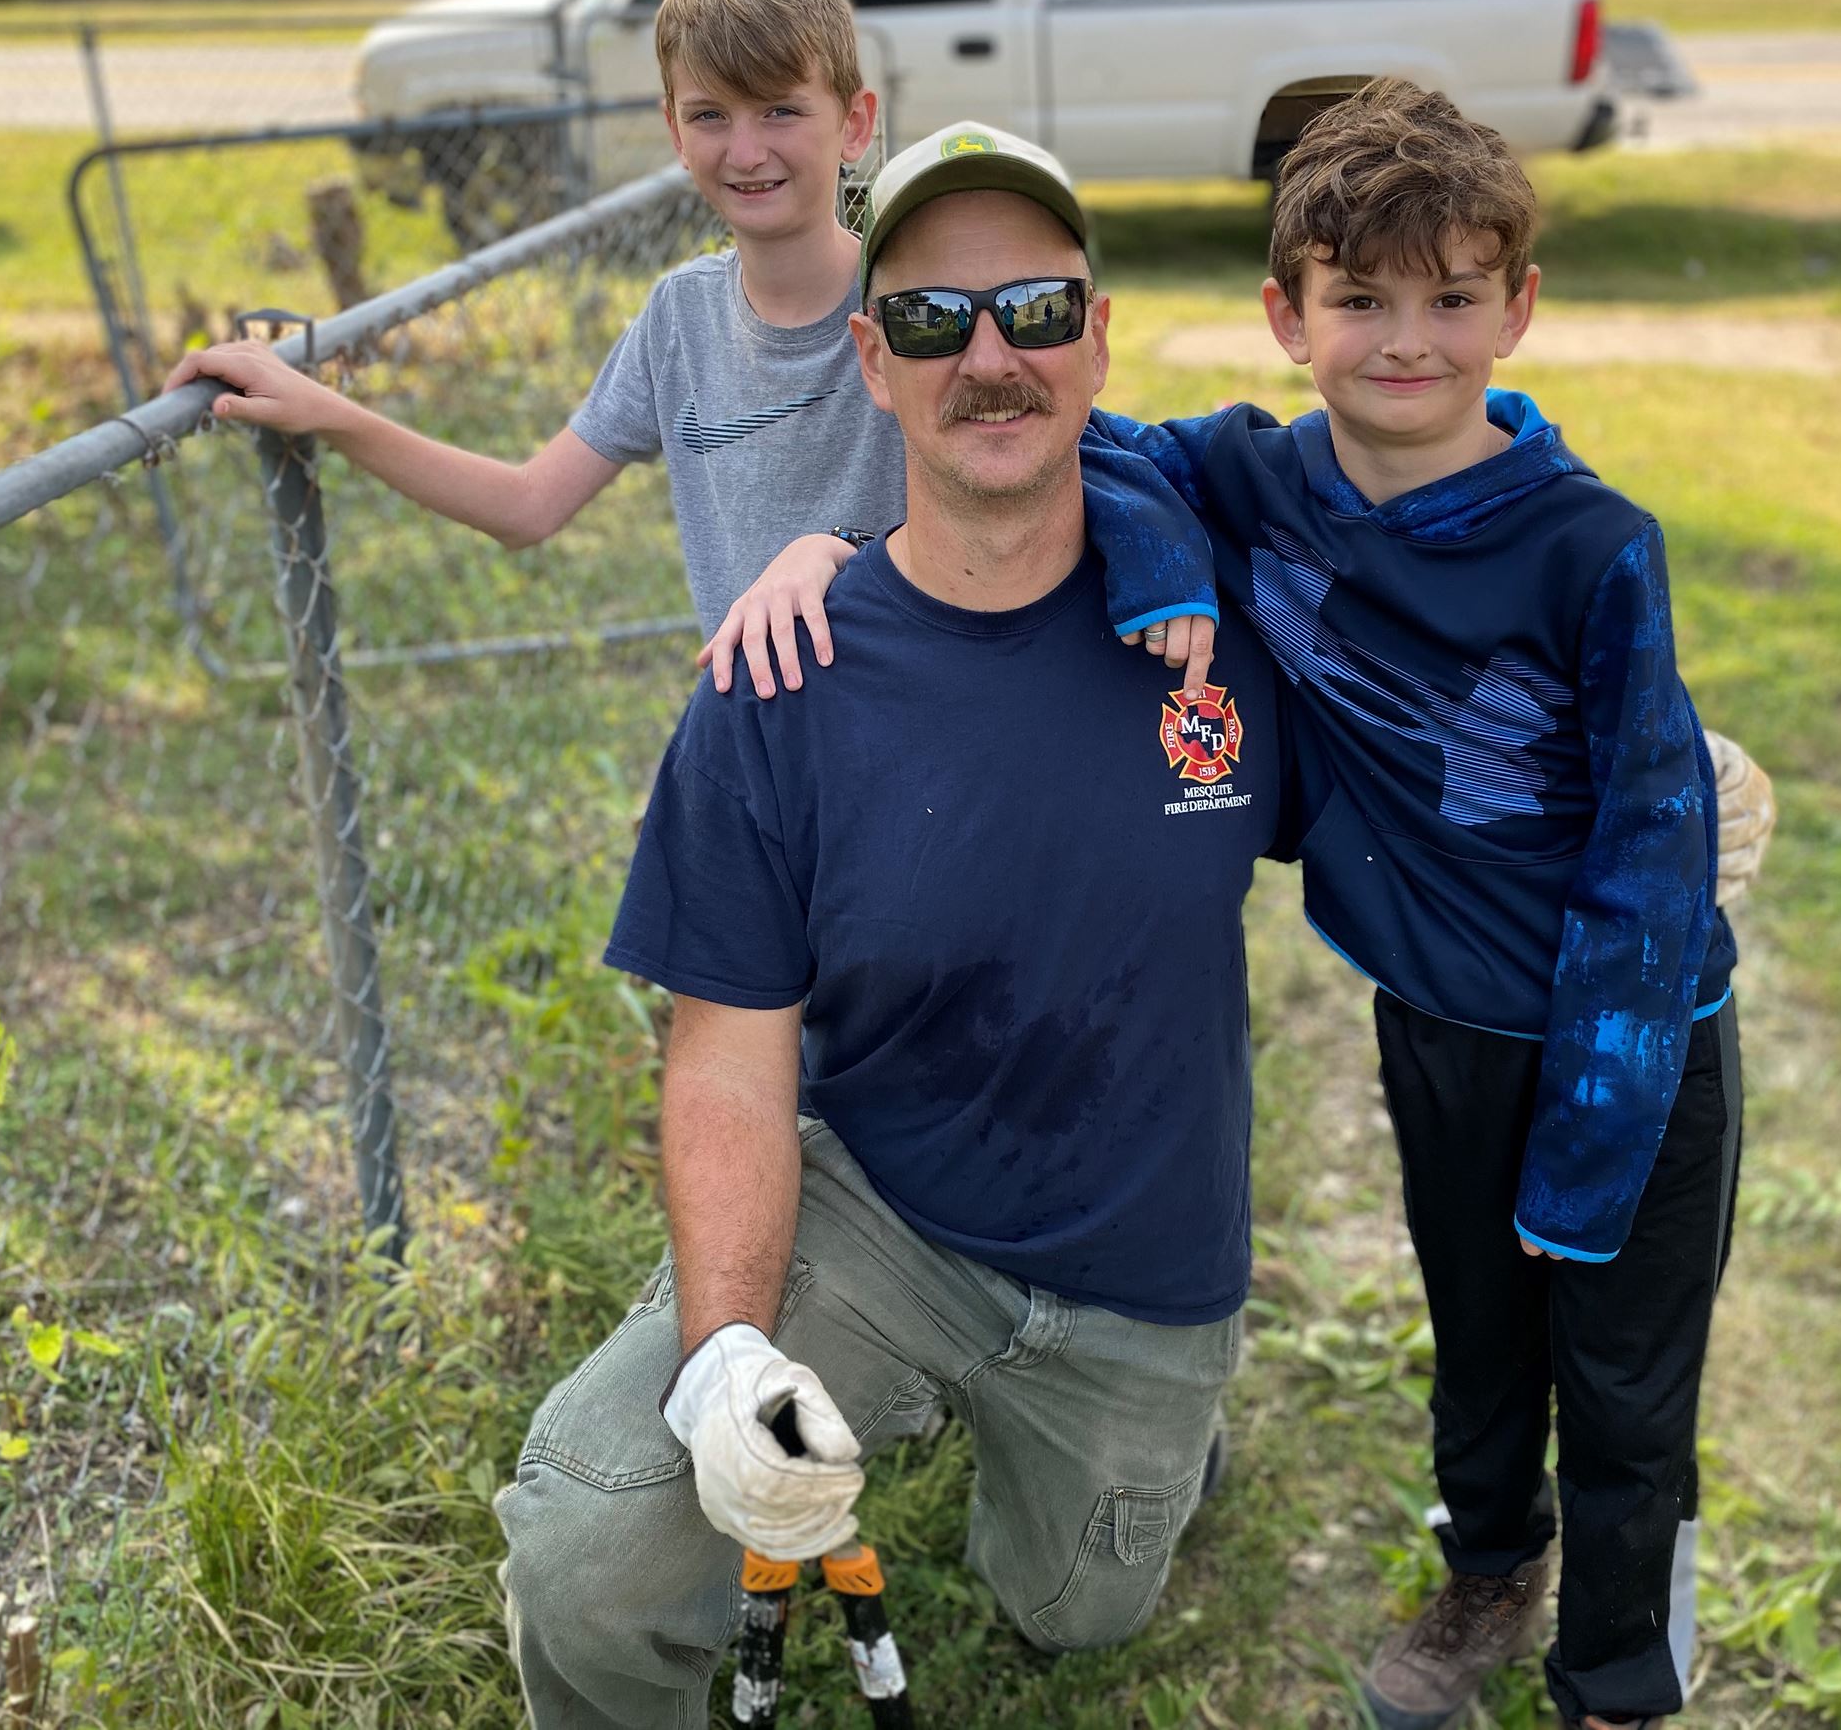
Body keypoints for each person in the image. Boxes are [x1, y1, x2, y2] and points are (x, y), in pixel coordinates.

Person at [722, 79, 1742, 1730]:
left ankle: (1617, 1676)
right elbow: (1075, 445)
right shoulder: (1261, 482)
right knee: (1477, 1340)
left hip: (1629, 1049)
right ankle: (1488, 1573)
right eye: (1360, 299)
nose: (1405, 343)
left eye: (1452, 299)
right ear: (1287, 314)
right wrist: (850, 552)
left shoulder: (1592, 547)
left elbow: (1651, 850)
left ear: (1517, 307)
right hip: (1441, 1025)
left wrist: (1594, 1129)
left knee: (1621, 1384)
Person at [491, 126, 1296, 1728]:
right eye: (932, 320)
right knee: (585, 1554)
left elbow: (1429, 723)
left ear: (1100, 337)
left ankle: (1125, 1450)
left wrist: (1632, 789)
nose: (990, 357)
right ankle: (835, 1388)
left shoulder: (1233, 626)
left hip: (1149, 1263)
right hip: (886, 1219)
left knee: (1071, 1612)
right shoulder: (777, 679)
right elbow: (727, 1050)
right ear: (871, 359)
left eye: (1036, 311)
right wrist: (724, 1349)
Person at [163, 0, 1217, 678]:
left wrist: (832, 548)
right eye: (710, 116)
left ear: (853, 124)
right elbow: (531, 505)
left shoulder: (919, 314)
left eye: (779, 112)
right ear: (673, 131)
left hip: (922, 697)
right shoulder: (676, 322)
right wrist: (324, 413)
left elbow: (1032, 473)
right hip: (761, 720)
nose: (745, 150)